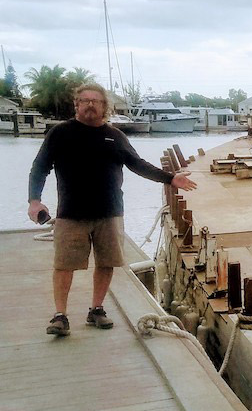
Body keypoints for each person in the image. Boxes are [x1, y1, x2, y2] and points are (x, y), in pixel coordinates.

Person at [28, 83, 197, 336]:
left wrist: (170, 178)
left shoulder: (115, 136)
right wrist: (34, 200)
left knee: (106, 263)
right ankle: (60, 315)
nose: (90, 105)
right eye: (84, 100)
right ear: (77, 105)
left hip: (110, 213)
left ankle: (96, 309)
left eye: (95, 101)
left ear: (104, 107)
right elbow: (40, 167)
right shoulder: (60, 133)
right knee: (64, 265)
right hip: (71, 214)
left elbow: (137, 164)